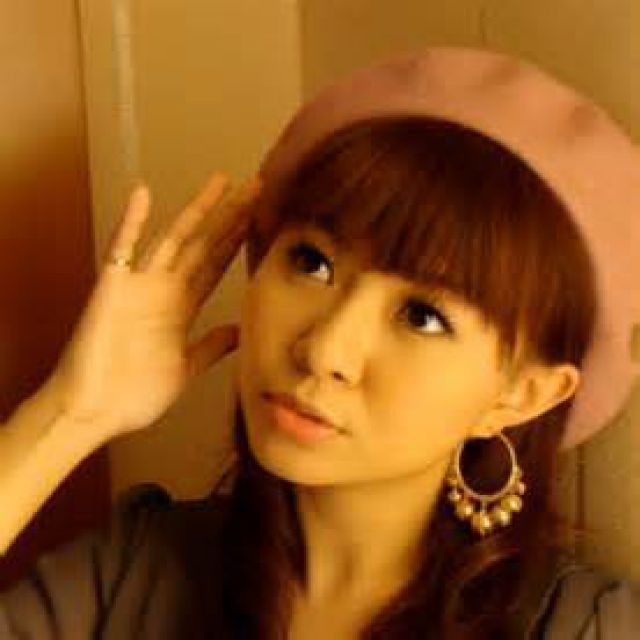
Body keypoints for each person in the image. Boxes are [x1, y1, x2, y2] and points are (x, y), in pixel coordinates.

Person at [1, 46, 639, 639]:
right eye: (312, 262)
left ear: (522, 394)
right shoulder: (133, 574)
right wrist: (71, 416)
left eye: (423, 317)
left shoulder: (582, 627)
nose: (324, 349)